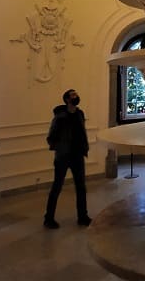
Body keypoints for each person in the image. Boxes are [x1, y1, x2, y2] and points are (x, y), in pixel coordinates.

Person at [43, 89, 91, 229]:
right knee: (57, 187)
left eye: (77, 94)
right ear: (67, 99)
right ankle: (48, 218)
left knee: (81, 187)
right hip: (63, 157)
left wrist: (84, 148)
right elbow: (51, 137)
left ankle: (82, 216)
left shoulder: (80, 114)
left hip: (77, 155)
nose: (76, 96)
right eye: (73, 95)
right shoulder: (60, 117)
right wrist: (60, 148)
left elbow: (82, 132)